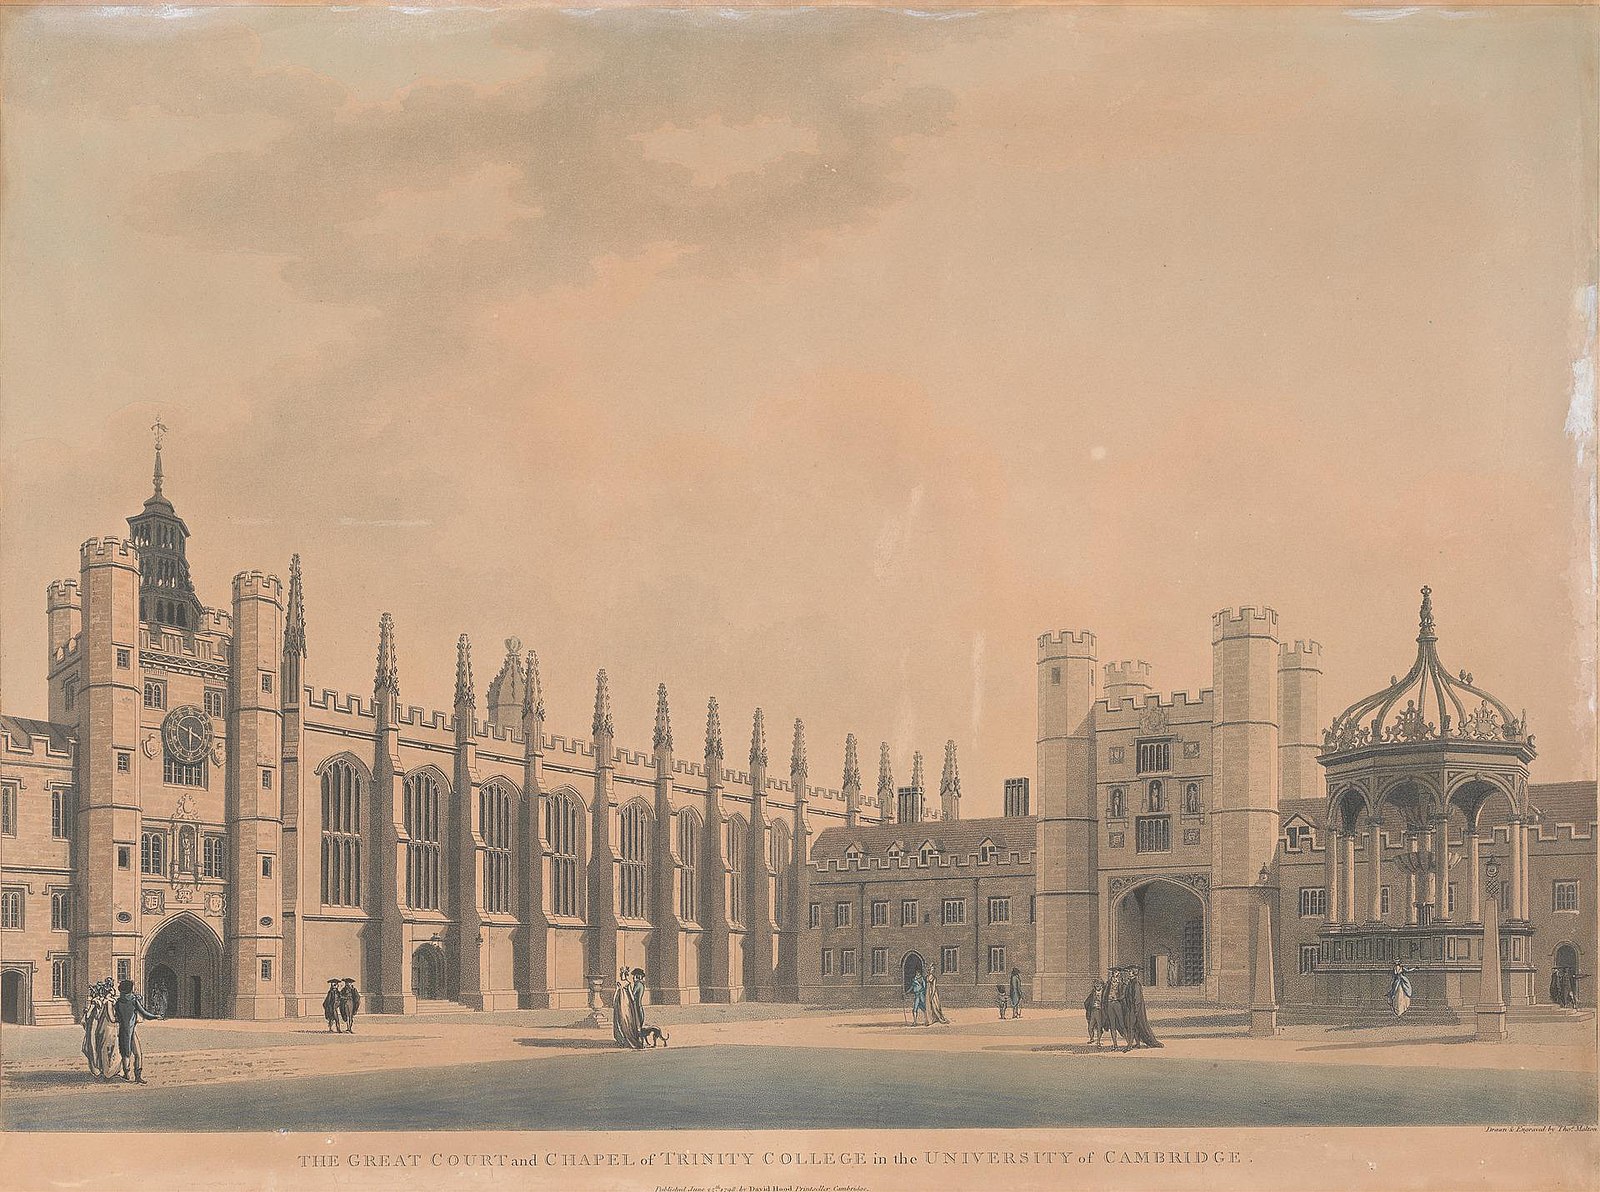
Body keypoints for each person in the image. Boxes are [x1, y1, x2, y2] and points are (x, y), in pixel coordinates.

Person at [113, 977, 162, 1083]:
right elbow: (144, 1013)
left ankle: (127, 1075)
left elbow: (115, 1017)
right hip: (131, 1031)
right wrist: (155, 1016)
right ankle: (138, 1076)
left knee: (125, 1054)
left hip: (122, 1031)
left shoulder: (117, 1002)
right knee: (138, 1054)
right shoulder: (133, 1001)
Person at [82, 978, 118, 1080]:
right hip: (103, 1025)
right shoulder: (108, 1001)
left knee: (94, 1045)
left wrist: (86, 1014)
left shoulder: (97, 1001)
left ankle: (97, 1068)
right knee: (103, 1046)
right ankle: (104, 1069)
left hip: (95, 1024)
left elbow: (89, 1015)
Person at [1120, 967, 1163, 1049]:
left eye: (1130, 972)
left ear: (1134, 973)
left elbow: (1137, 998)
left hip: (1135, 1008)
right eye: (1129, 972)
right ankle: (1138, 1044)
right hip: (1131, 1007)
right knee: (1135, 1026)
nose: (1128, 973)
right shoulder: (1130, 982)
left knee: (1131, 1026)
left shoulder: (1136, 984)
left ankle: (1129, 1045)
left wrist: (1135, 1010)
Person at [612, 966, 645, 1049]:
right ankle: (623, 1039)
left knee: (629, 1021)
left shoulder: (633, 984)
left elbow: (632, 995)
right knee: (622, 1020)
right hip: (623, 1003)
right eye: (622, 973)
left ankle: (633, 1039)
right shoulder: (622, 983)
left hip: (629, 1004)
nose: (623, 975)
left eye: (624, 973)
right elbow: (617, 993)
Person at [1084, 979, 1106, 1046]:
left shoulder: (1104, 993)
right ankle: (1091, 1038)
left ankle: (1098, 1041)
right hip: (1093, 1011)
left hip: (1100, 1012)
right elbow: (1087, 1002)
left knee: (1099, 1027)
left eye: (1099, 984)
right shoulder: (1093, 993)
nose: (1097, 985)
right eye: (1096, 984)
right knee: (1090, 1027)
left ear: (1102, 985)